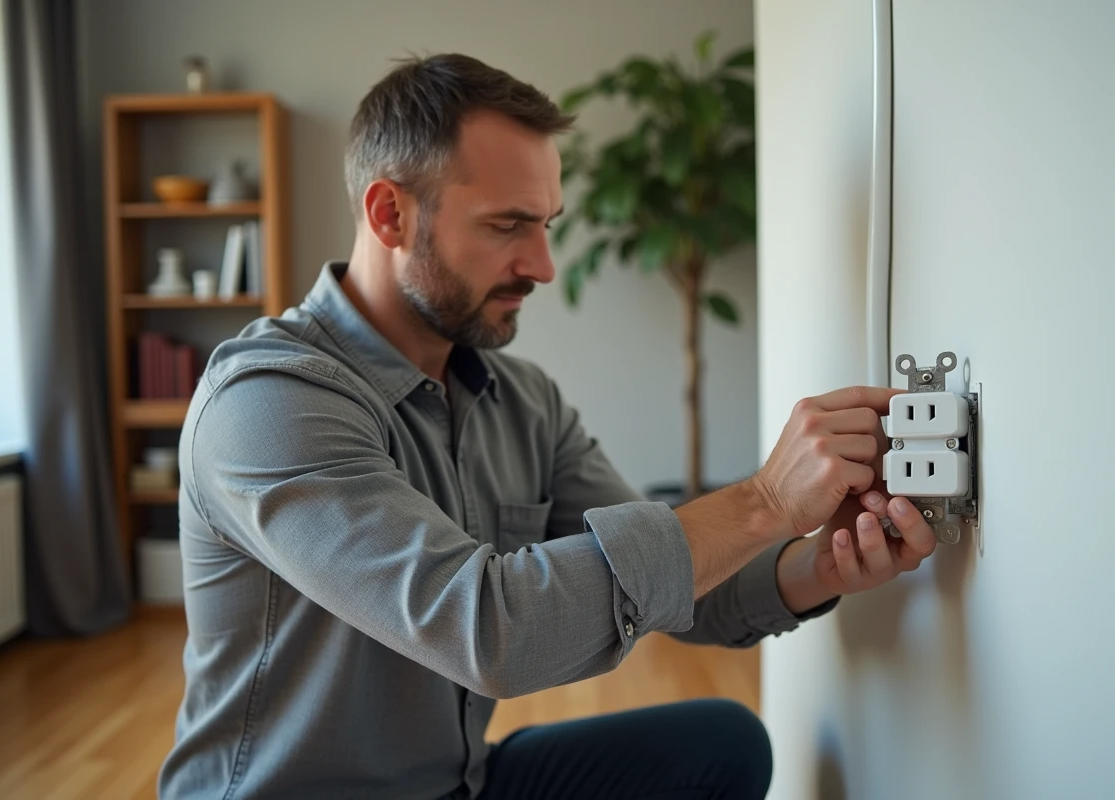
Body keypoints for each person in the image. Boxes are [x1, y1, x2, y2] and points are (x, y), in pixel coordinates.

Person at [157, 53, 938, 800]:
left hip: (453, 783)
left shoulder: (520, 399)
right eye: (507, 225)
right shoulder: (267, 404)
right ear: (390, 214)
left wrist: (820, 566)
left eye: (547, 225)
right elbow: (487, 632)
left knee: (723, 745)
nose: (542, 265)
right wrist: (766, 500)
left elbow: (675, 577)